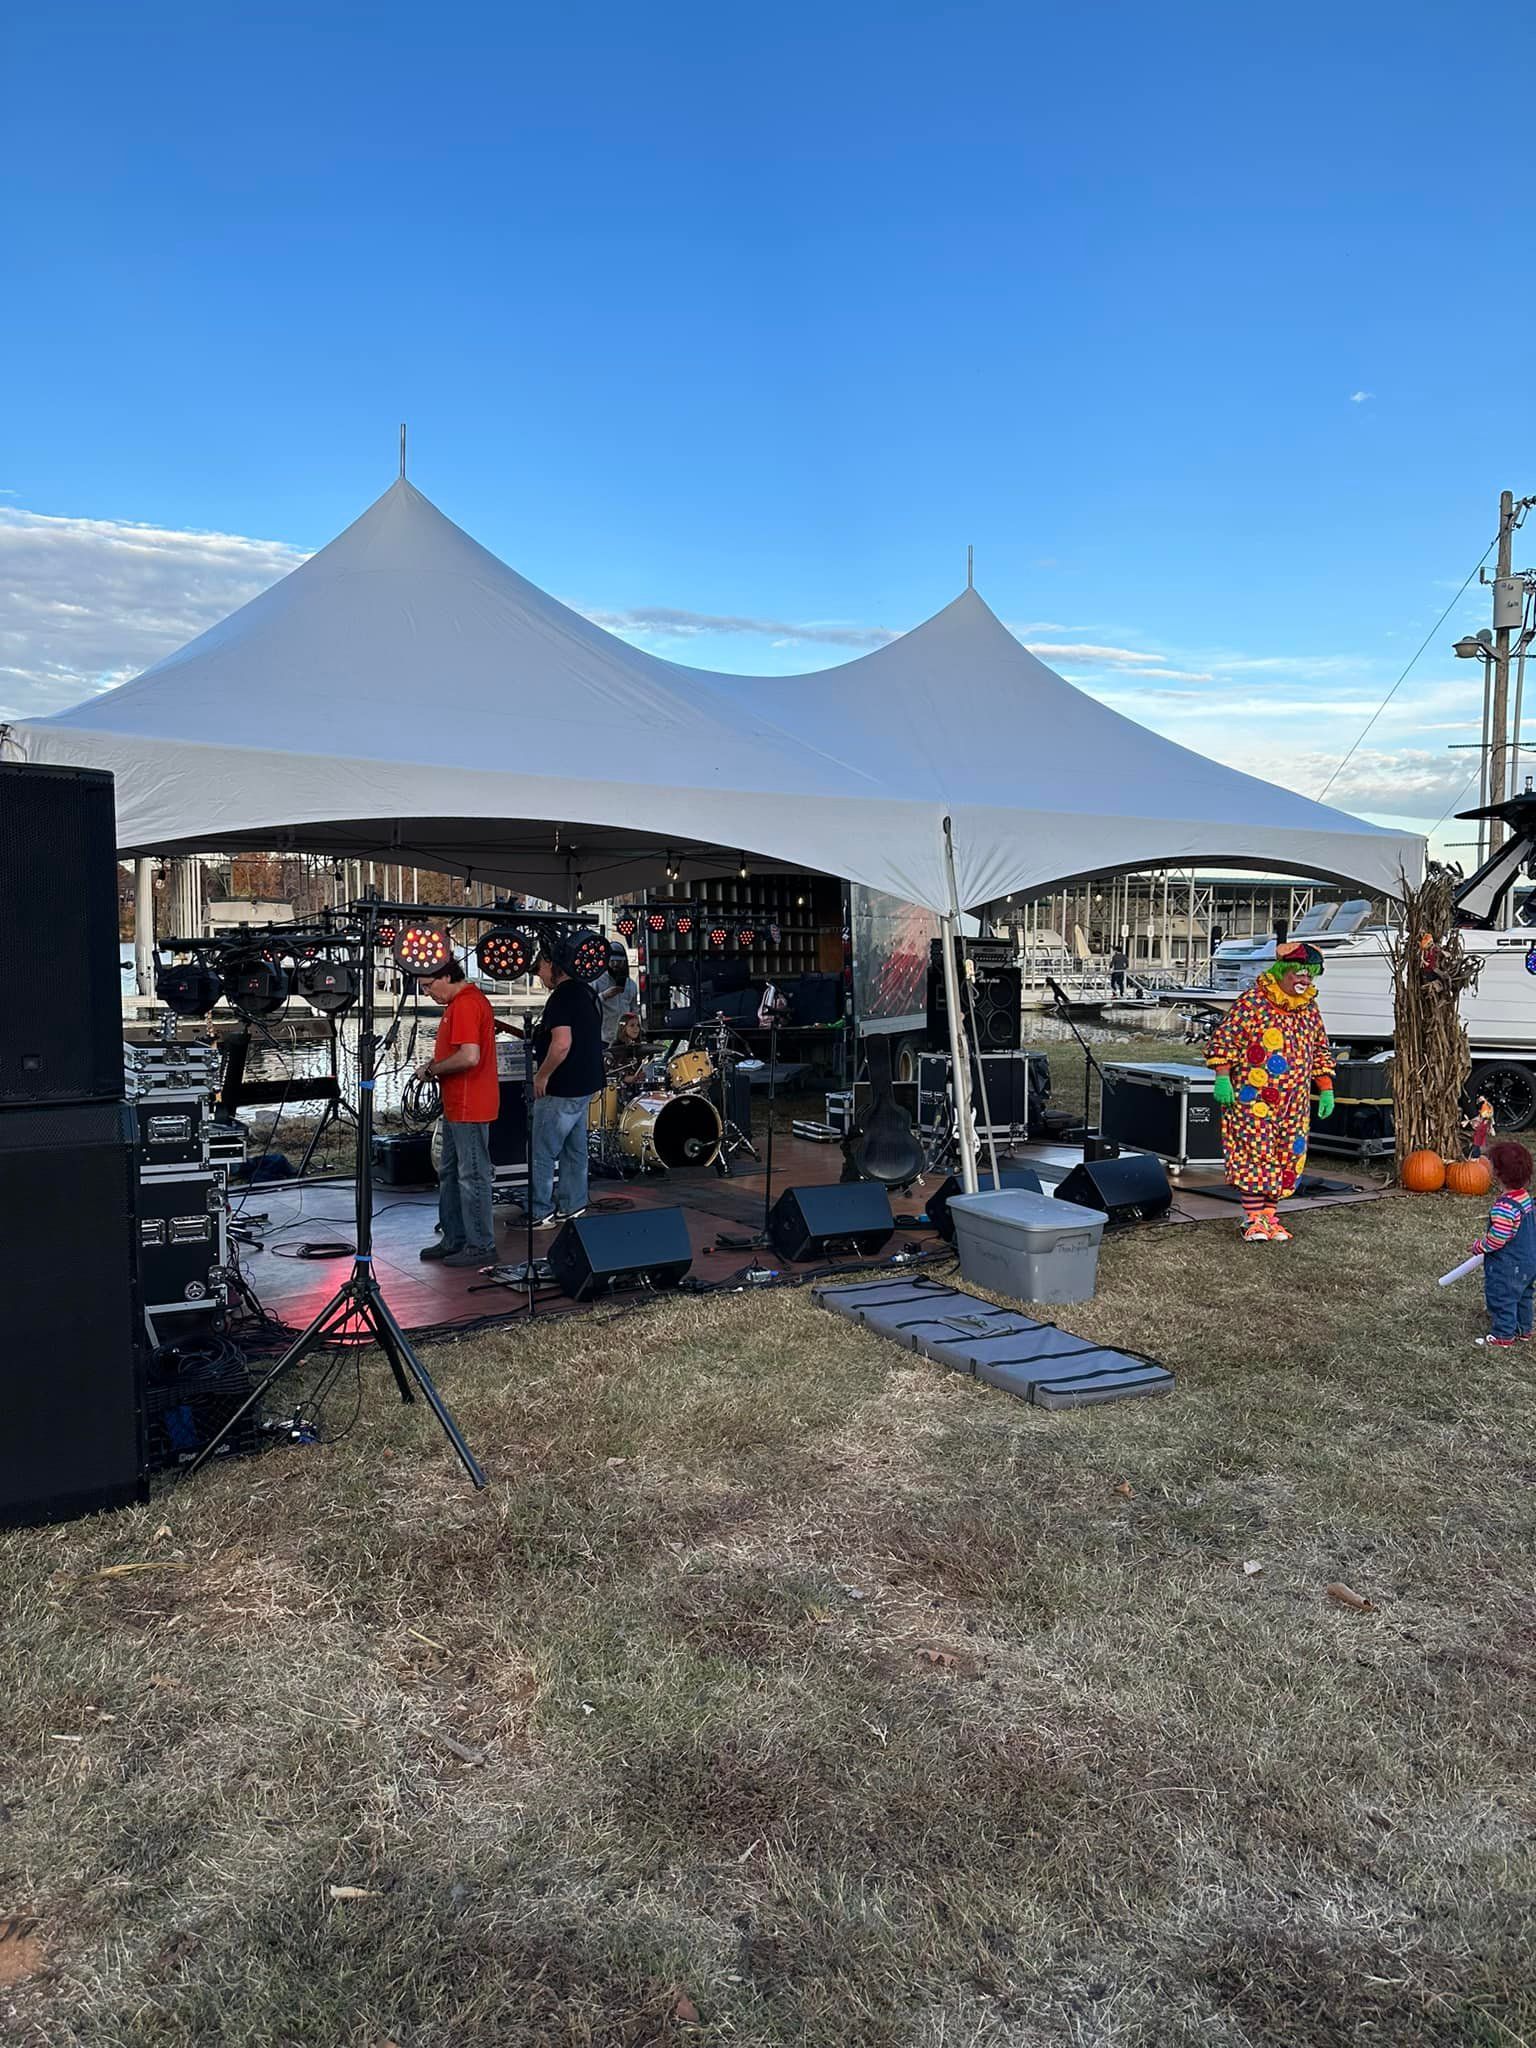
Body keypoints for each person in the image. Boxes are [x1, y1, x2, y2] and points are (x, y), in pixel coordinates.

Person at [1206, 940, 1335, 1243]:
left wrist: (1325, 1088)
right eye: (1300, 973)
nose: (1304, 981)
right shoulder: (1253, 1002)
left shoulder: (1309, 1009)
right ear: (1282, 971)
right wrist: (1222, 1077)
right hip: (1254, 1099)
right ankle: (1252, 1218)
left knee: (1287, 1153)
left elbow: (1319, 1050)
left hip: (1294, 1102)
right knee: (1255, 1151)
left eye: (1310, 975)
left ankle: (1269, 1217)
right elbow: (1225, 1041)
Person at [416, 957, 499, 1268]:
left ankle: (481, 1245)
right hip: (458, 1104)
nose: (427, 993)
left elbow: (469, 1056)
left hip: (469, 1104)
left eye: (428, 985)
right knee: (451, 1171)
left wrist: (433, 1069)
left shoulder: (465, 1004)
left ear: (446, 976)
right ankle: (455, 1237)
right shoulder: (461, 1003)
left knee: (471, 1175)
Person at [519, 933, 605, 1227]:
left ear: (551, 963)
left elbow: (562, 1044)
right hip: (585, 1084)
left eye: (538, 968)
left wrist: (542, 1075)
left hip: (562, 1086)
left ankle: (540, 1211)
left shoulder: (561, 997)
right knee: (574, 1149)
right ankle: (574, 1204)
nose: (538, 976)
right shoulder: (587, 992)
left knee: (542, 1150)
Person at [1472, 1139, 1536, 1348]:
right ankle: (1524, 1330)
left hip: (1507, 1265)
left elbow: (1498, 1238)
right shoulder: (1525, 1198)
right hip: (1528, 1261)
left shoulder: (1504, 1207)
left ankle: (1503, 1335)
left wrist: (1479, 1246)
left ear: (1498, 1173)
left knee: (1503, 1297)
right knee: (1524, 1294)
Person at [592, 944, 640, 1047]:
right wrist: (604, 996)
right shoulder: (597, 982)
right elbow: (587, 1005)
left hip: (624, 1040)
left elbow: (634, 1010)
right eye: (612, 961)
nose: (615, 964)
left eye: (619, 961)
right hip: (603, 1038)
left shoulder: (631, 985)